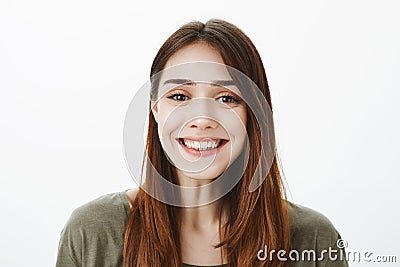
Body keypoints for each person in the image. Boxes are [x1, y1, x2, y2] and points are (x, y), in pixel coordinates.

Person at [56, 19, 348, 267]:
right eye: (180, 96)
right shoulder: (93, 233)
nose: (202, 119)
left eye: (227, 98)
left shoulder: (314, 240)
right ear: (156, 109)